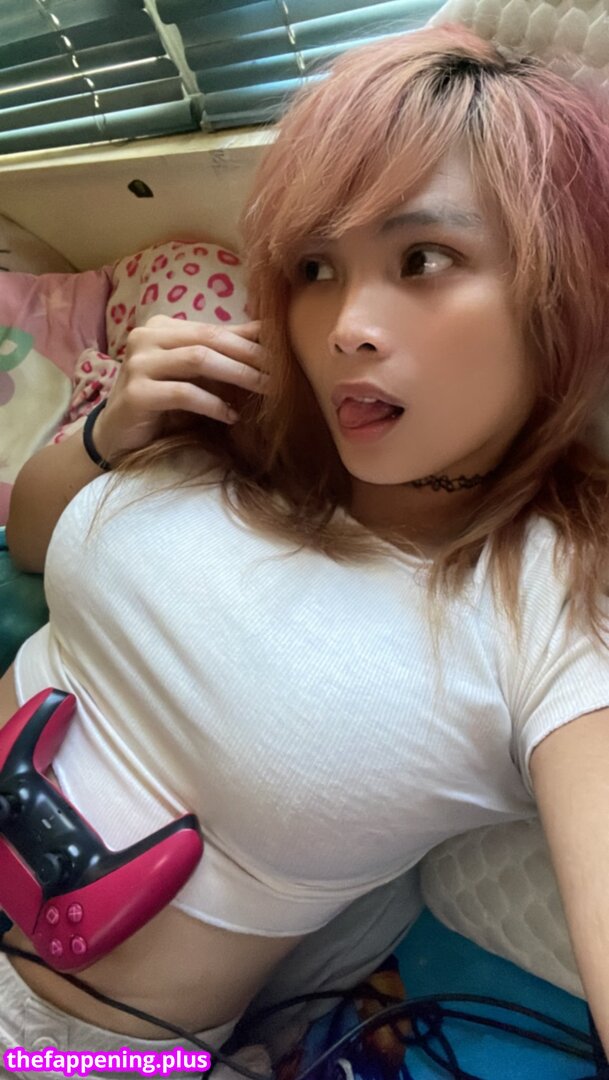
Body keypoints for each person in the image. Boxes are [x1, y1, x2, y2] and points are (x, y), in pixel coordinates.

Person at [4, 20, 609, 1076]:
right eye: (316, 266)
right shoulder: (234, 417)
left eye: (424, 258)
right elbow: (29, 542)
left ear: (560, 295)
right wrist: (109, 431)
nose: (344, 326)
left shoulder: (555, 600)